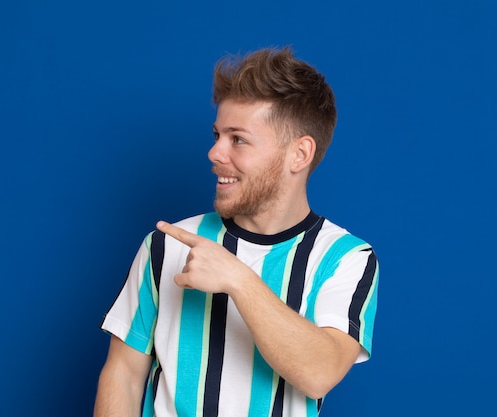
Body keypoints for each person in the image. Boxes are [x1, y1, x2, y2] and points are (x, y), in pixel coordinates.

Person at [93, 46, 379, 417]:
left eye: (238, 139)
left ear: (299, 155)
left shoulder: (346, 259)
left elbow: (319, 372)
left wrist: (238, 280)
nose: (214, 153)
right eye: (216, 135)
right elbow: (124, 374)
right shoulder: (166, 245)